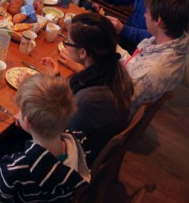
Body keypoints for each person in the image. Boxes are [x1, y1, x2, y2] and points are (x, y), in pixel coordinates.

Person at [0, 74, 91, 202]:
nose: (18, 114)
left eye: (20, 111)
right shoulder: (80, 140)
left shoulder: (18, 167)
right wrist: (33, 127)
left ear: (27, 122)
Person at [41, 12, 134, 159]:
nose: (66, 45)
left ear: (83, 53)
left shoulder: (89, 99)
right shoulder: (112, 70)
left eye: (68, 42)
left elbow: (59, 137)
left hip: (72, 159)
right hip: (85, 142)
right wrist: (57, 79)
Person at [118, 0, 189, 116]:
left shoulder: (151, 70)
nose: (144, 15)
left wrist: (82, 70)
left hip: (111, 114)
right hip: (120, 83)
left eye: (147, 12)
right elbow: (133, 64)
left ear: (158, 21)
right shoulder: (171, 43)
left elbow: (117, 101)